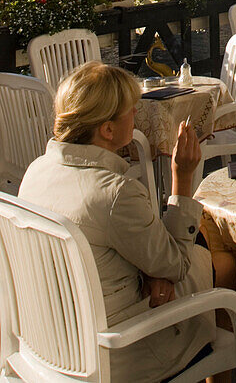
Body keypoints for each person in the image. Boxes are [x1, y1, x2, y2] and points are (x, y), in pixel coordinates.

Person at [19, 62, 225, 383]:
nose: (136, 115)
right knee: (207, 258)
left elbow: (102, 247)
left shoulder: (35, 173)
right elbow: (175, 265)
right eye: (131, 109)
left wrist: (150, 272)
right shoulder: (115, 193)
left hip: (52, 344)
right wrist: (182, 179)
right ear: (108, 130)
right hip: (117, 353)